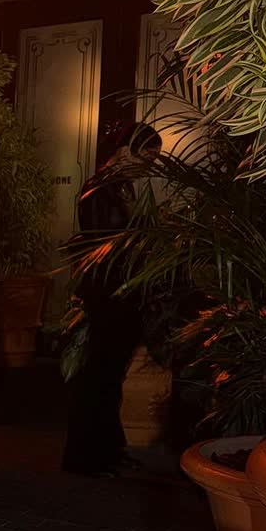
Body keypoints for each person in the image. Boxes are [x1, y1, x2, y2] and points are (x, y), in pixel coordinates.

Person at [62, 121, 162, 477]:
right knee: (99, 378)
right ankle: (90, 457)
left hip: (121, 295)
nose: (148, 166)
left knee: (108, 377)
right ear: (124, 151)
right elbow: (105, 245)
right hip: (108, 297)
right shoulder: (99, 189)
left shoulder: (119, 187)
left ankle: (105, 451)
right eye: (146, 157)